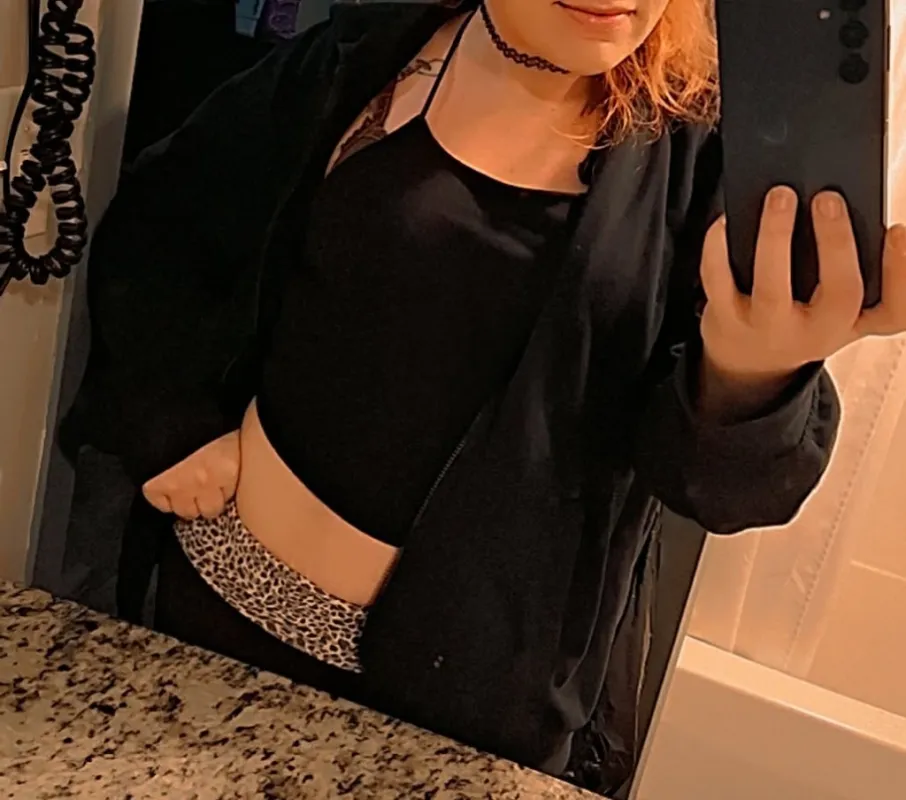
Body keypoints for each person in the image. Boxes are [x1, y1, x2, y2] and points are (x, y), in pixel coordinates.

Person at [69, 0, 906, 792]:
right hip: (220, 622)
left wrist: (752, 375)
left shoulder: (704, 160)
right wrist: (172, 423)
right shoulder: (366, 61)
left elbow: (719, 487)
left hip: (466, 717)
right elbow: (164, 227)